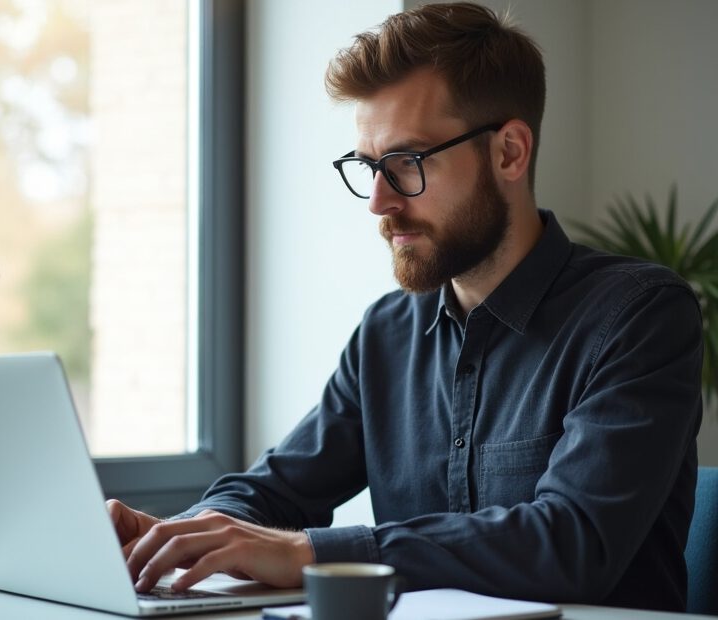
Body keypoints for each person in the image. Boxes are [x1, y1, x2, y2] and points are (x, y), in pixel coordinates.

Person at [108, 2, 703, 611]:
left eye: (408, 164)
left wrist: (309, 553)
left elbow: (571, 543)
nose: (379, 202)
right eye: (369, 167)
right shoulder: (386, 333)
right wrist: (182, 535)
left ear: (509, 153)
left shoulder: (639, 316)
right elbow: (276, 488)